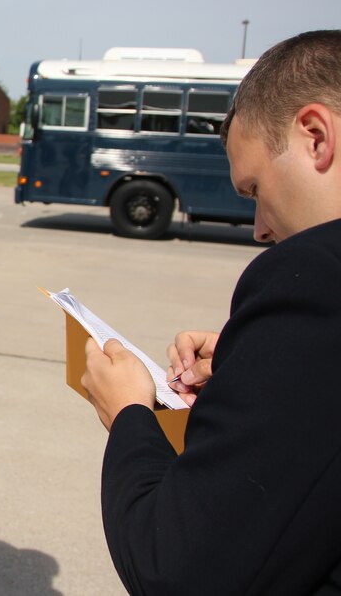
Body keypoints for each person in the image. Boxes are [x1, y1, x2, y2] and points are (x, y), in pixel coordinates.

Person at [81, 30, 341, 595]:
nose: (260, 230)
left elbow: (174, 566)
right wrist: (257, 362)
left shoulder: (313, 280)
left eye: (254, 190)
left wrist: (127, 413)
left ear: (316, 137)